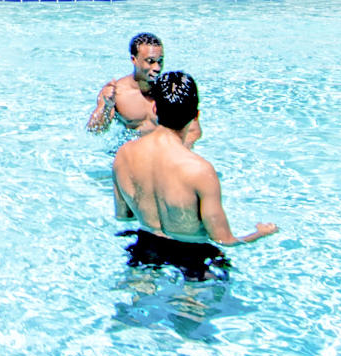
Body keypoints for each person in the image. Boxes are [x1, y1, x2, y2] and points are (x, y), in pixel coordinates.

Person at [111, 72, 276, 281]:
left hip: (145, 248)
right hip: (194, 256)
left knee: (137, 305)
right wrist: (261, 233)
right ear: (196, 115)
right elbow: (224, 239)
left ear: (154, 108)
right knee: (193, 309)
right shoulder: (200, 171)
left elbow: (124, 216)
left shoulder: (124, 155)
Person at [86, 32, 169, 135]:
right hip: (130, 149)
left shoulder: (168, 91)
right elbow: (94, 131)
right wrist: (107, 107)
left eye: (160, 61)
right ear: (134, 60)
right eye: (150, 61)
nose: (157, 68)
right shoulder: (117, 93)